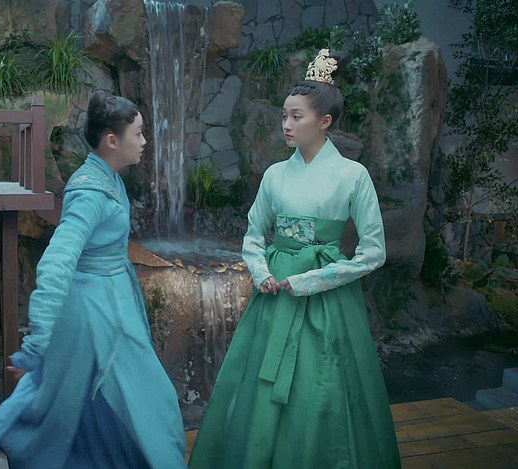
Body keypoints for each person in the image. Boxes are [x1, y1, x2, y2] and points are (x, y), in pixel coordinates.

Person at [188, 49, 401, 468]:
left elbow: (374, 252)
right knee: (259, 382)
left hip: (325, 294)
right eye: (284, 115)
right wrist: (261, 271)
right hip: (275, 292)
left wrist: (313, 280)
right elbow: (253, 235)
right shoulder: (275, 175)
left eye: (296, 116)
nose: (286, 124)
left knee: (322, 382)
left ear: (325, 121)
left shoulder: (353, 176)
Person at [0, 90, 187, 468]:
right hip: (95, 312)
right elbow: (57, 261)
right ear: (112, 140)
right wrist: (38, 339)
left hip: (113, 301)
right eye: (138, 134)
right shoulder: (89, 192)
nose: (144, 141)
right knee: (142, 398)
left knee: (114, 395)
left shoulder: (108, 177)